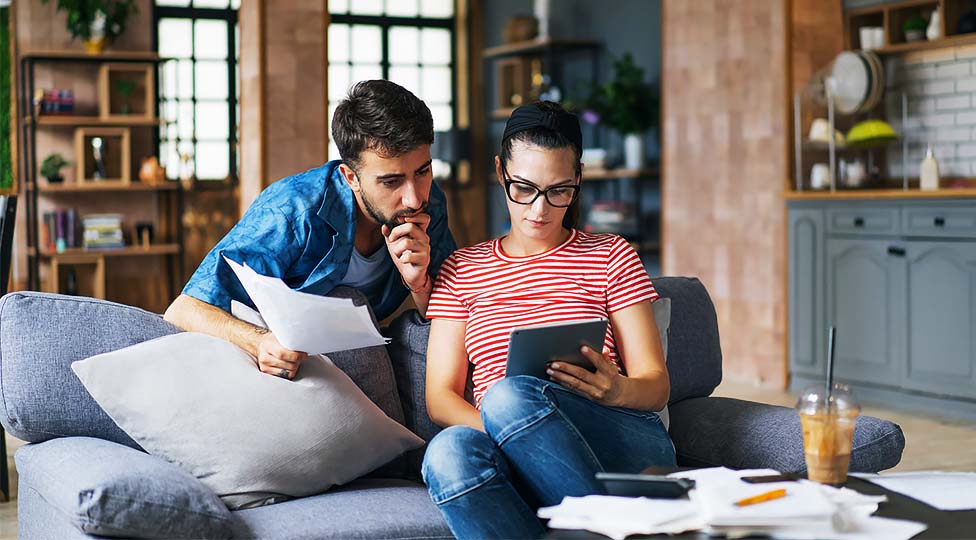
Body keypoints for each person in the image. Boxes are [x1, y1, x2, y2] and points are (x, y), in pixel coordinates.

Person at [421, 101, 675, 539]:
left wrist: (617, 390)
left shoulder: (611, 255)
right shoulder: (461, 269)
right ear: (500, 171)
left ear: (578, 180)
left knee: (506, 396)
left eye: (559, 191)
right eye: (524, 188)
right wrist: (510, 432)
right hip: (505, 437)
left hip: (616, 434)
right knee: (448, 452)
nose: (539, 210)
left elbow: (656, 386)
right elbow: (439, 398)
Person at [164, 80, 456, 381]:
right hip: (278, 355)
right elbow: (184, 309)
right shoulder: (293, 209)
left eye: (423, 171)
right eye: (391, 182)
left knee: (432, 337)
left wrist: (419, 284)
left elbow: (452, 314)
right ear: (350, 177)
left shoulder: (429, 203)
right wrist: (259, 342)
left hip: (360, 346)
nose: (414, 198)